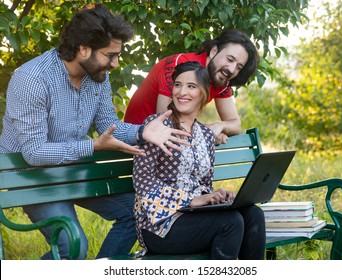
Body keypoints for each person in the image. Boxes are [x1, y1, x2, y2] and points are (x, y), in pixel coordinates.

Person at [0, 4, 190, 260]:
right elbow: (34, 152)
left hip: (71, 169)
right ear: (83, 48)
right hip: (31, 177)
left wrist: (143, 131)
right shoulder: (32, 79)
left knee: (139, 211)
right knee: (73, 248)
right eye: (110, 55)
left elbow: (108, 125)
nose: (115, 63)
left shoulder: (96, 74)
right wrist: (92, 147)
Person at [133, 61, 266, 260]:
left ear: (204, 94)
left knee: (253, 214)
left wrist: (216, 197)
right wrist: (190, 200)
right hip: (159, 224)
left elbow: (203, 184)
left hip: (195, 216)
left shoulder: (205, 134)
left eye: (191, 86)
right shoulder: (156, 126)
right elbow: (142, 181)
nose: (181, 92)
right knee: (231, 222)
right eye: (178, 85)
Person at [124, 29, 259, 145]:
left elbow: (235, 124)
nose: (231, 69)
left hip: (174, 145)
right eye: (230, 59)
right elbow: (167, 121)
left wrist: (218, 126)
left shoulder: (221, 78)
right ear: (213, 52)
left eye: (238, 67)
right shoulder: (178, 67)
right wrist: (207, 134)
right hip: (139, 140)